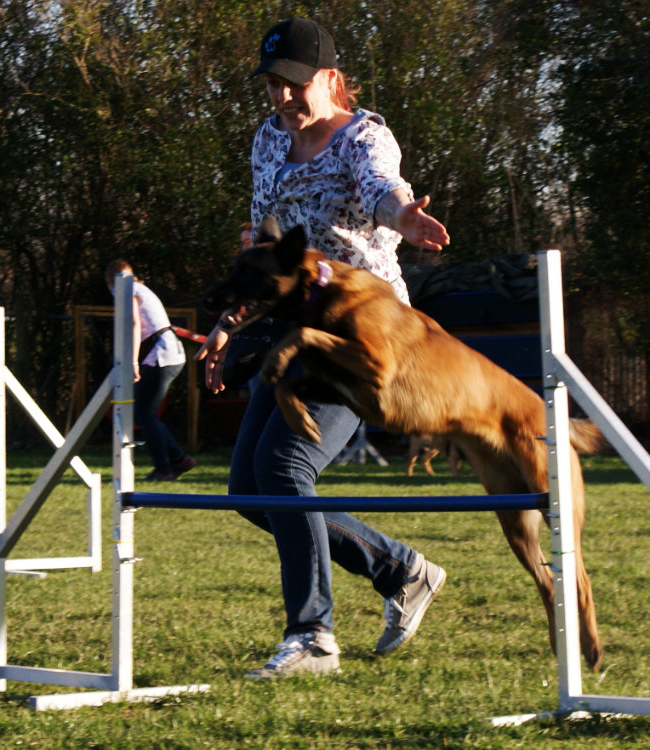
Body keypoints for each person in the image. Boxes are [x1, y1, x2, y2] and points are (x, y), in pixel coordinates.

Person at [196, 18, 451, 679]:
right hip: (293, 328)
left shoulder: (363, 135)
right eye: (271, 87)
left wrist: (406, 217)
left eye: (293, 86)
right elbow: (265, 241)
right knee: (251, 491)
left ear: (330, 80)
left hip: (362, 332)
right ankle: (401, 570)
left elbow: (381, 189)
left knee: (283, 470)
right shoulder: (266, 141)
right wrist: (230, 321)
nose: (281, 99)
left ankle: (311, 637)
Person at [106, 260, 196, 481]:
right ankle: (177, 459)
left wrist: (133, 362)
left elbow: (135, 324)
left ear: (111, 280)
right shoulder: (139, 287)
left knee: (145, 413)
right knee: (145, 412)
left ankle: (164, 469)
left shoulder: (126, 289)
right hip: (167, 353)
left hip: (161, 355)